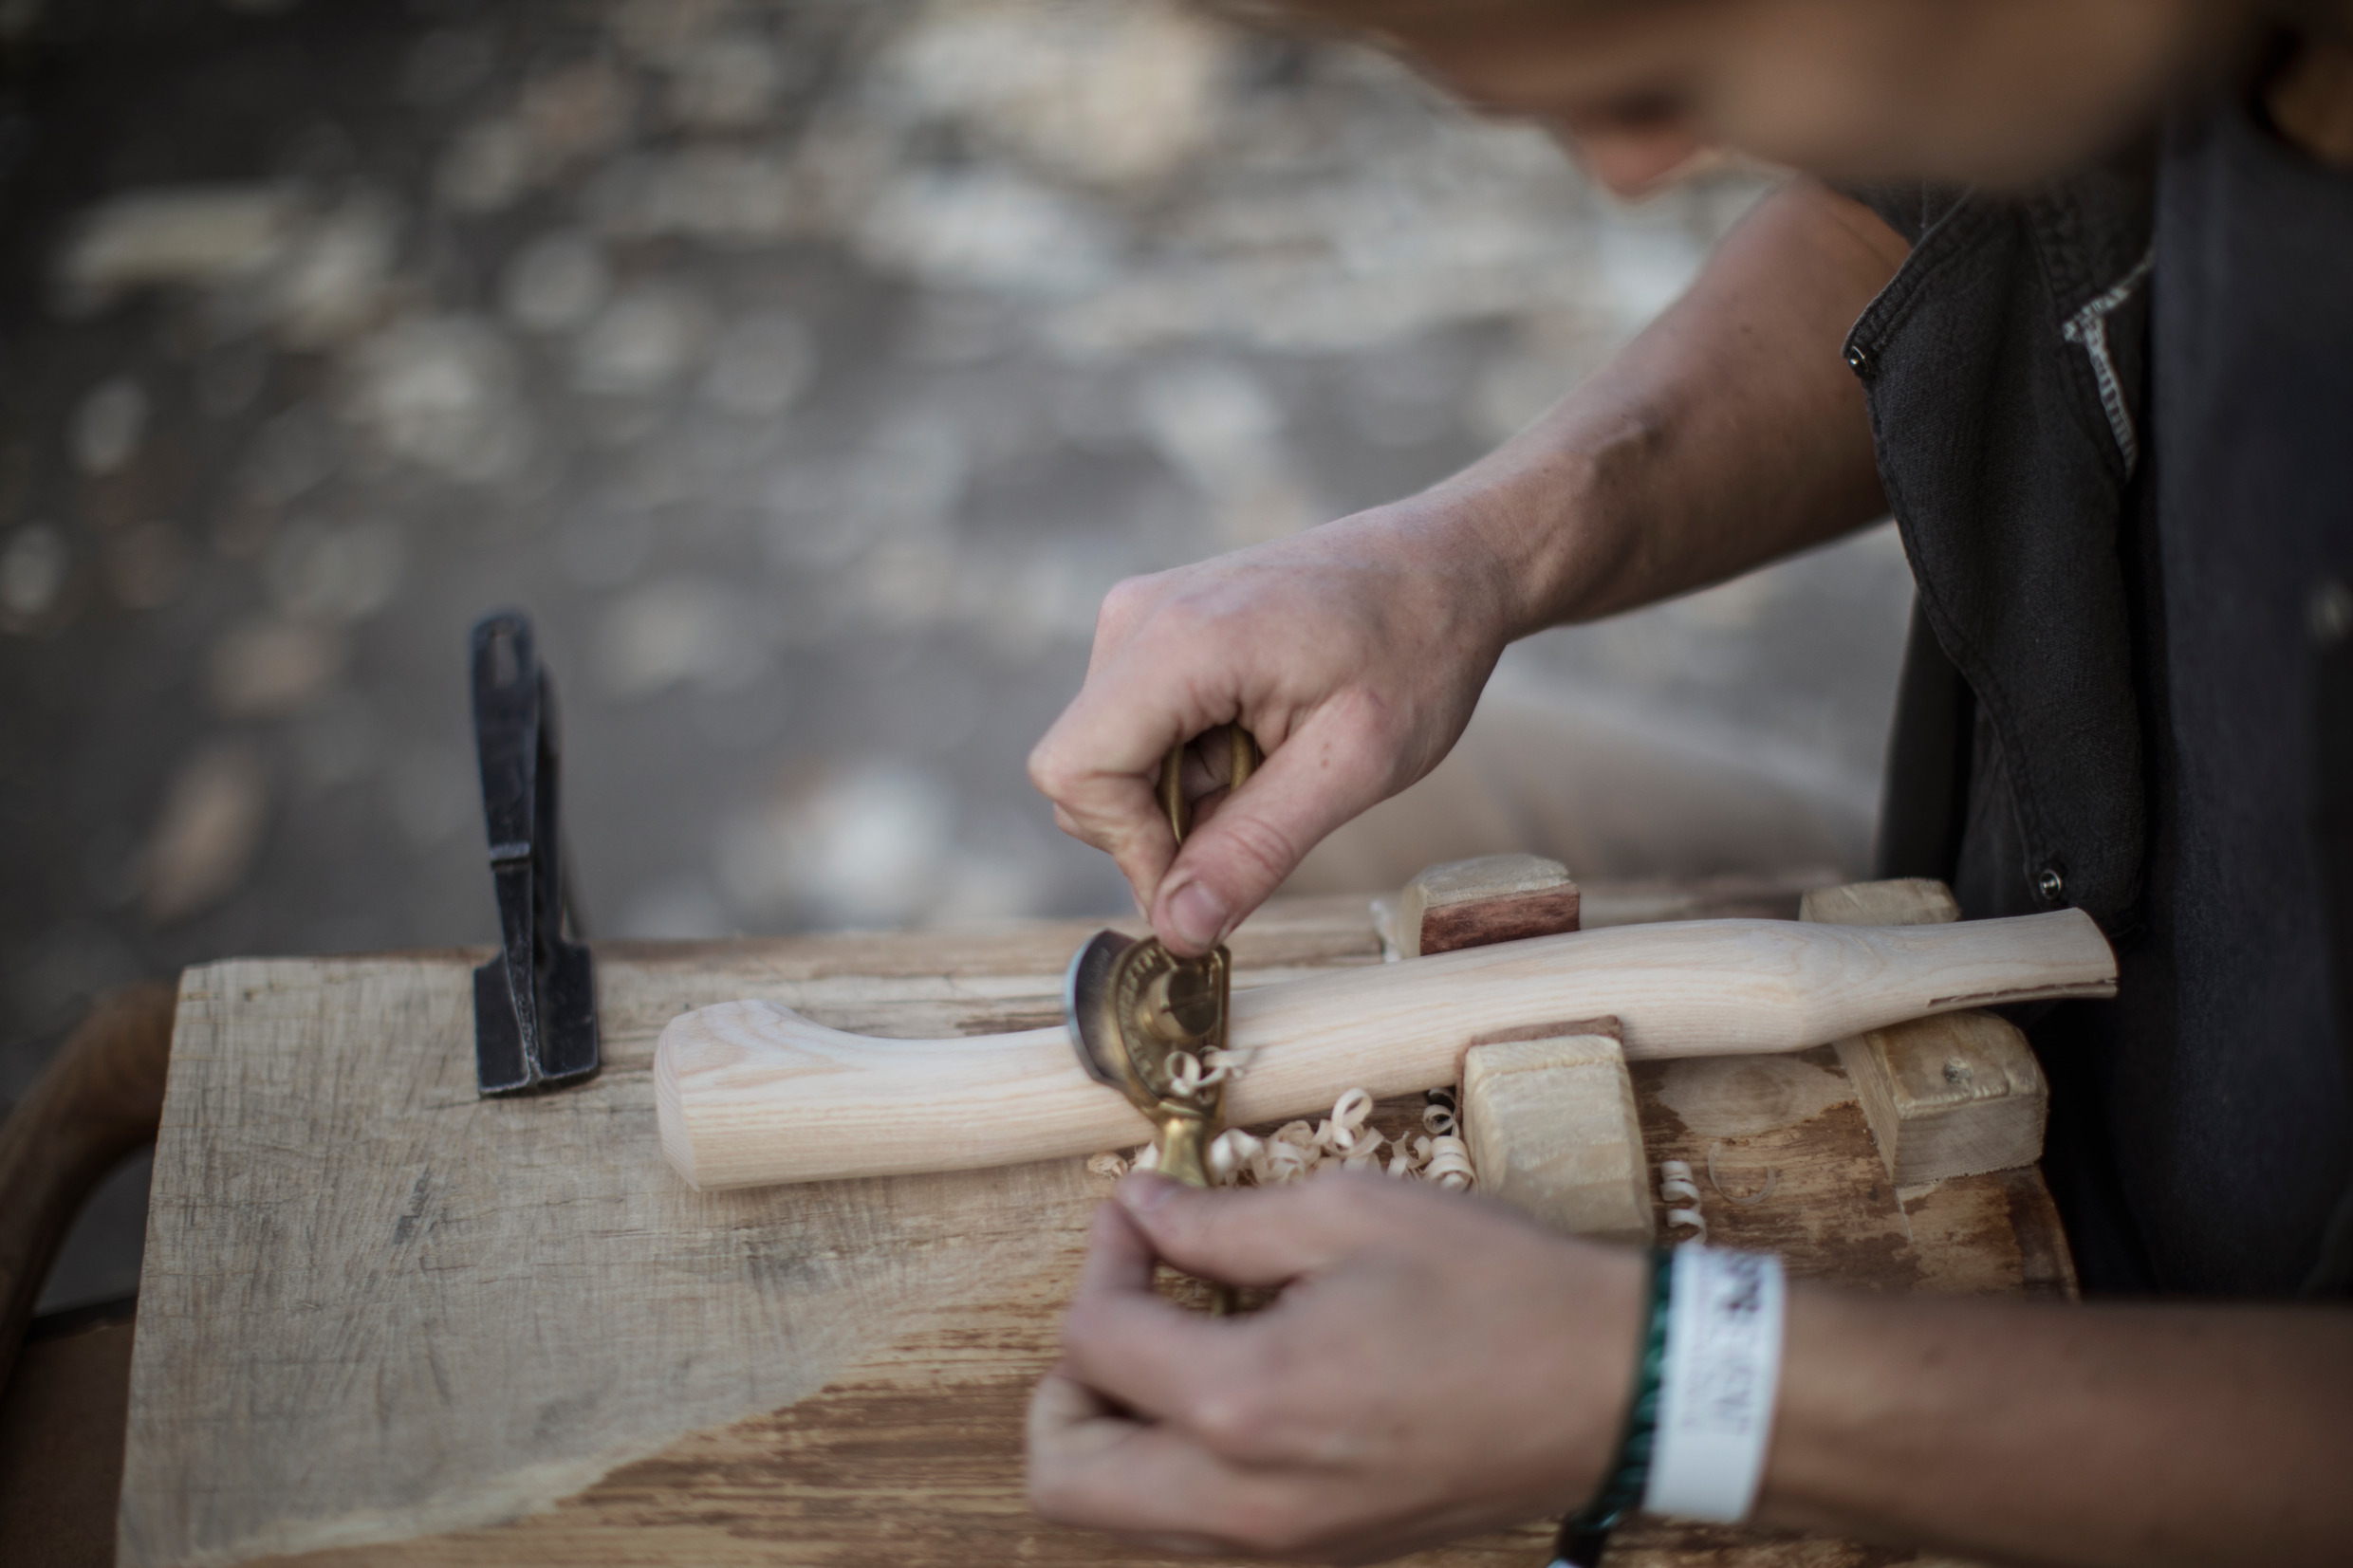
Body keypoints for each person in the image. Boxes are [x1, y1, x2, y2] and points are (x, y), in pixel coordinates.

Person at [1020, 1, 2353, 1563]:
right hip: (2005, 925)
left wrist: (1674, 1385)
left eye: (1661, 68)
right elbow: (1929, 229)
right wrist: (1463, 553)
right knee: (1405, 802)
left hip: (2193, 1404)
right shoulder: (2092, 47)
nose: (1639, 167)